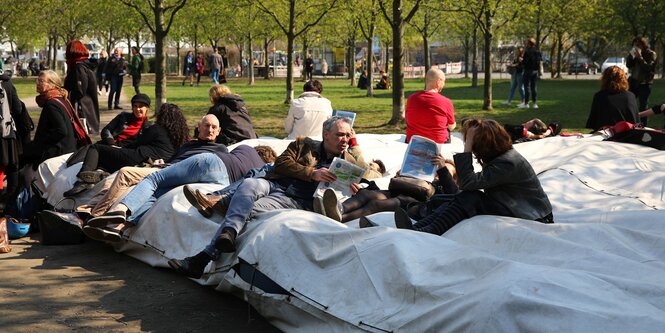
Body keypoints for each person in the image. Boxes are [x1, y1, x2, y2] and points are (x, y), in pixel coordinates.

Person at [168, 116, 382, 278]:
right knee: (250, 183)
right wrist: (311, 173)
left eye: (348, 135)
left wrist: (353, 188)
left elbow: (367, 181)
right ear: (326, 135)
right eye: (340, 135)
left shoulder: (350, 163)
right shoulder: (303, 145)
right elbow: (281, 163)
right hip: (275, 183)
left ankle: (206, 254)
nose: (345, 140)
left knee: (248, 207)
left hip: (297, 200)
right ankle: (225, 229)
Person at [365, 118, 553, 235]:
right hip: (511, 204)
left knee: (469, 197)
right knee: (453, 198)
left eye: (471, 142)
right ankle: (417, 227)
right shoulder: (501, 157)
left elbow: (469, 184)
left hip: (533, 215)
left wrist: (467, 149)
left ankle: (425, 230)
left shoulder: (508, 162)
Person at [83, 139, 276, 242]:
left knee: (155, 178)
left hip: (214, 162)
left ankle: (121, 210)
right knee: (159, 192)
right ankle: (121, 227)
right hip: (221, 181)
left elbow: (225, 153)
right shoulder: (261, 169)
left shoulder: (246, 148)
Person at [64, 97, 189, 196]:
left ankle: (81, 181)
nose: (137, 109)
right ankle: (102, 174)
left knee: (95, 148)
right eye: (135, 106)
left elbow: (136, 144)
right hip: (152, 163)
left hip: (138, 157)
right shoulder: (179, 138)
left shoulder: (156, 129)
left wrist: (119, 150)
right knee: (108, 154)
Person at [22, 70, 78, 181]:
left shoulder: (51, 104)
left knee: (18, 159)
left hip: (58, 151)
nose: (37, 83)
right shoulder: (61, 98)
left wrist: (41, 142)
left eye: (41, 81)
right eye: (37, 80)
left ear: (52, 84)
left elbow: (61, 131)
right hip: (67, 147)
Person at [405, 68, 456, 144]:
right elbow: (451, 126)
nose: (444, 84)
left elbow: (408, 120)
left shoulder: (411, 98)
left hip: (414, 141)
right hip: (438, 143)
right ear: (438, 82)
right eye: (444, 81)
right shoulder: (446, 102)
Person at [585, 66, 639, 132]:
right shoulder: (630, 96)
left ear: (605, 79)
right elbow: (636, 122)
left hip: (605, 136)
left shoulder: (599, 96)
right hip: (627, 136)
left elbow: (592, 123)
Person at [64, 40, 100, 134]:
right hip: (87, 107)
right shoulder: (84, 66)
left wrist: (65, 93)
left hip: (82, 110)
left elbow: (79, 91)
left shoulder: (79, 67)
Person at [0, 70, 25, 199]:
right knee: (12, 165)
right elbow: (18, 108)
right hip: (6, 131)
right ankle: (11, 201)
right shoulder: (7, 82)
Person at [627, 37, 657, 126]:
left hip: (645, 83)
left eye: (638, 44)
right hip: (633, 82)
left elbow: (648, 68)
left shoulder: (651, 54)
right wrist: (631, 56)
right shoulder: (635, 54)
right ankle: (629, 123)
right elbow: (628, 65)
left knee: (643, 106)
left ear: (643, 44)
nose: (636, 46)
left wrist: (640, 57)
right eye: (634, 45)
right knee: (628, 103)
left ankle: (643, 126)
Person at [519, 38, 542, 109]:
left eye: (526, 42)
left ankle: (526, 103)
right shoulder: (538, 51)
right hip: (535, 71)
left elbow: (524, 62)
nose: (526, 44)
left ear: (529, 43)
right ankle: (535, 103)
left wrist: (521, 60)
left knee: (527, 87)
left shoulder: (527, 51)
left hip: (528, 70)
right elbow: (540, 61)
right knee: (533, 87)